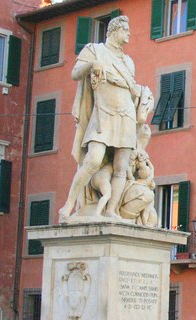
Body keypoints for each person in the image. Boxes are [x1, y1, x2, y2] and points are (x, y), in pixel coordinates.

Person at [59, 15, 143, 222]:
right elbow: (75, 74)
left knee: (121, 166)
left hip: (126, 115)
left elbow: (131, 91)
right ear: (114, 30)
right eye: (125, 30)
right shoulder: (94, 50)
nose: (129, 34)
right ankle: (68, 205)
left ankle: (111, 210)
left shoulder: (128, 61)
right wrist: (92, 65)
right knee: (94, 158)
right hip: (102, 113)